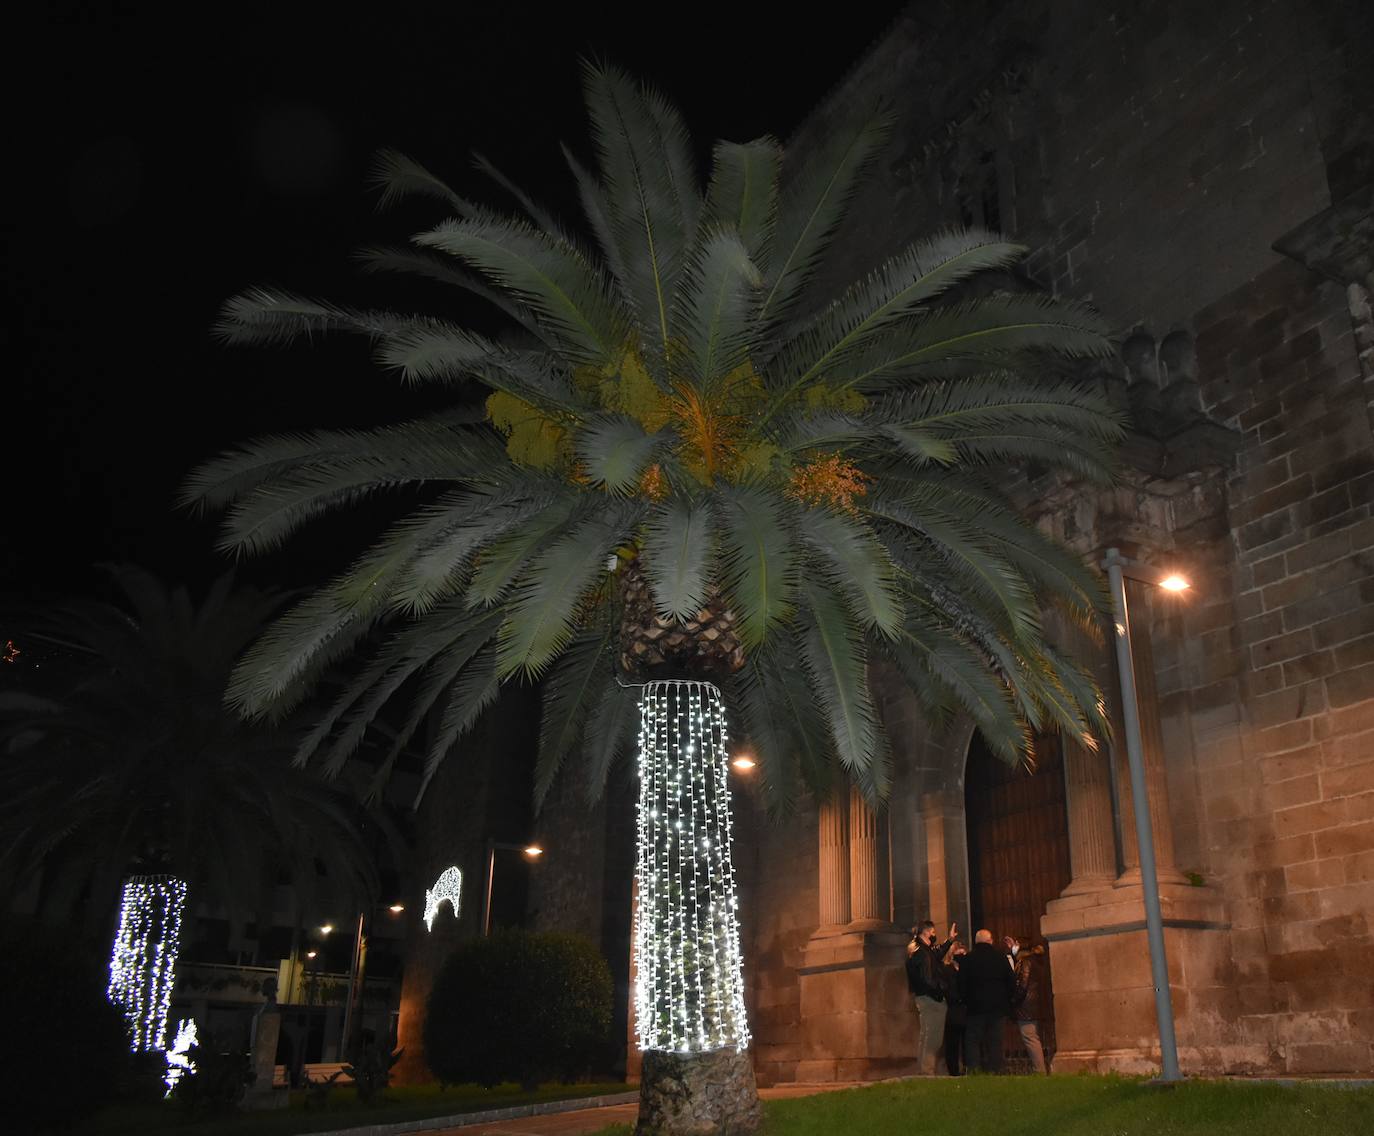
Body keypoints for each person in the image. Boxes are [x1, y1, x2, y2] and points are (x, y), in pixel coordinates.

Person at [958, 928, 1015, 1072]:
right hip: (997, 1008)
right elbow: (1011, 981)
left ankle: (974, 1070)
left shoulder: (968, 959)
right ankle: (996, 1071)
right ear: (990, 941)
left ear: (976, 942)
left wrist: (966, 1001)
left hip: (975, 1008)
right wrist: (1006, 1000)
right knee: (995, 1041)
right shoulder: (1000, 957)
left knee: (973, 1041)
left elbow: (961, 984)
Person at [905, 919, 956, 1075]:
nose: (934, 935)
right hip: (931, 999)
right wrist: (941, 991)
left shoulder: (919, 949)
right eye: (933, 932)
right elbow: (928, 979)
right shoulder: (922, 952)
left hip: (924, 997)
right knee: (934, 1038)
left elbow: (936, 952)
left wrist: (950, 940)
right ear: (926, 932)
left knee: (926, 1035)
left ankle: (924, 1070)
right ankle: (927, 1072)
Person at [1007, 936, 1049, 1074]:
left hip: (1026, 1007)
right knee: (1033, 1037)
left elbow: (1022, 985)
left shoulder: (1025, 962)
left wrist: (1013, 1001)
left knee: (1030, 1038)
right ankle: (1039, 1069)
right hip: (1034, 1006)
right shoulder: (1036, 961)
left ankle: (1040, 1071)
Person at [941, 939, 969, 1076]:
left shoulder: (966, 970)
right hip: (953, 1010)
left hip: (966, 1010)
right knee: (952, 1043)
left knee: (968, 1042)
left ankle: (967, 1068)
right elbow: (947, 989)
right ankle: (953, 1071)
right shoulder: (947, 970)